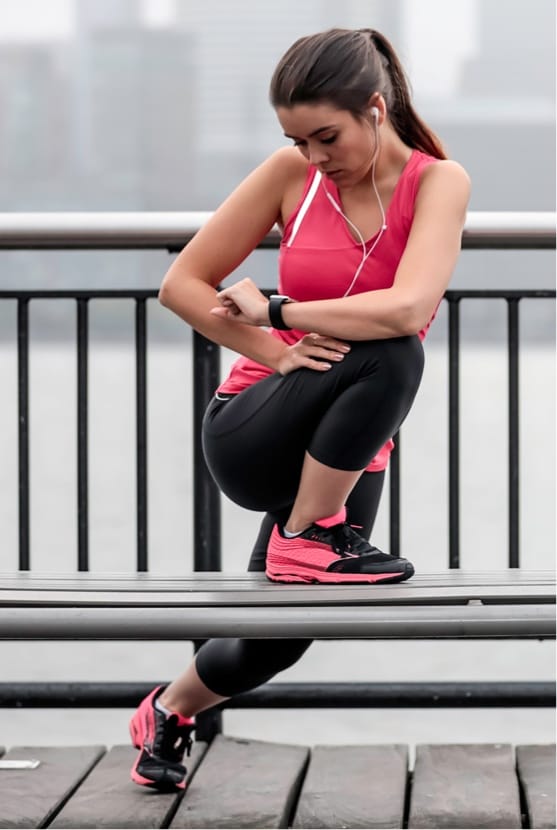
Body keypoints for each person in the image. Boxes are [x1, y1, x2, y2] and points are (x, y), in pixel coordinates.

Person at [129, 27, 470, 790]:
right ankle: (305, 536)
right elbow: (182, 284)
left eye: (327, 137)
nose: (315, 157)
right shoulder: (291, 175)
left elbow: (409, 301)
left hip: (345, 446)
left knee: (278, 639)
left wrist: (281, 310)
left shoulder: (437, 182)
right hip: (256, 424)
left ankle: (168, 711)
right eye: (297, 139)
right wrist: (273, 348)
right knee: (395, 350)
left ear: (374, 110)